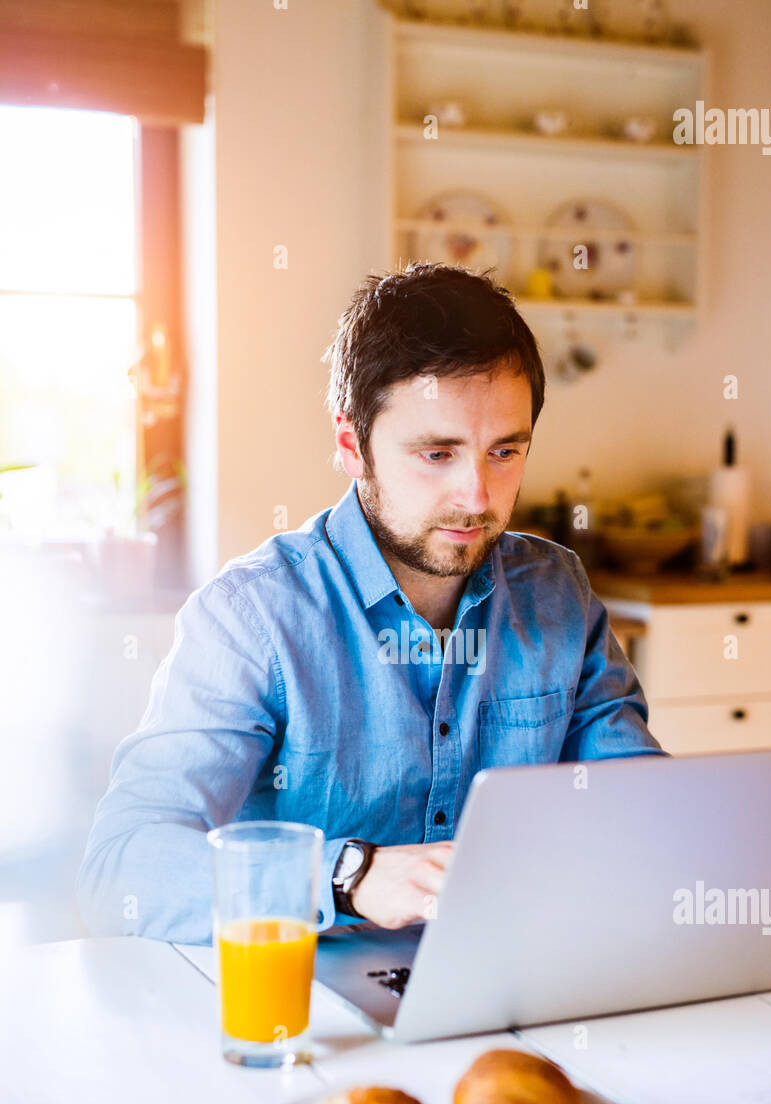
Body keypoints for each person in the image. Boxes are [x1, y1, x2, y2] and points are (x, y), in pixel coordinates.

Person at [78, 263, 664, 943]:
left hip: (510, 981)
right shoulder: (251, 617)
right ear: (351, 444)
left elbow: (635, 809)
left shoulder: (556, 592)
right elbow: (121, 872)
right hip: (312, 1016)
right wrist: (347, 877)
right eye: (437, 454)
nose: (476, 496)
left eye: (503, 451)